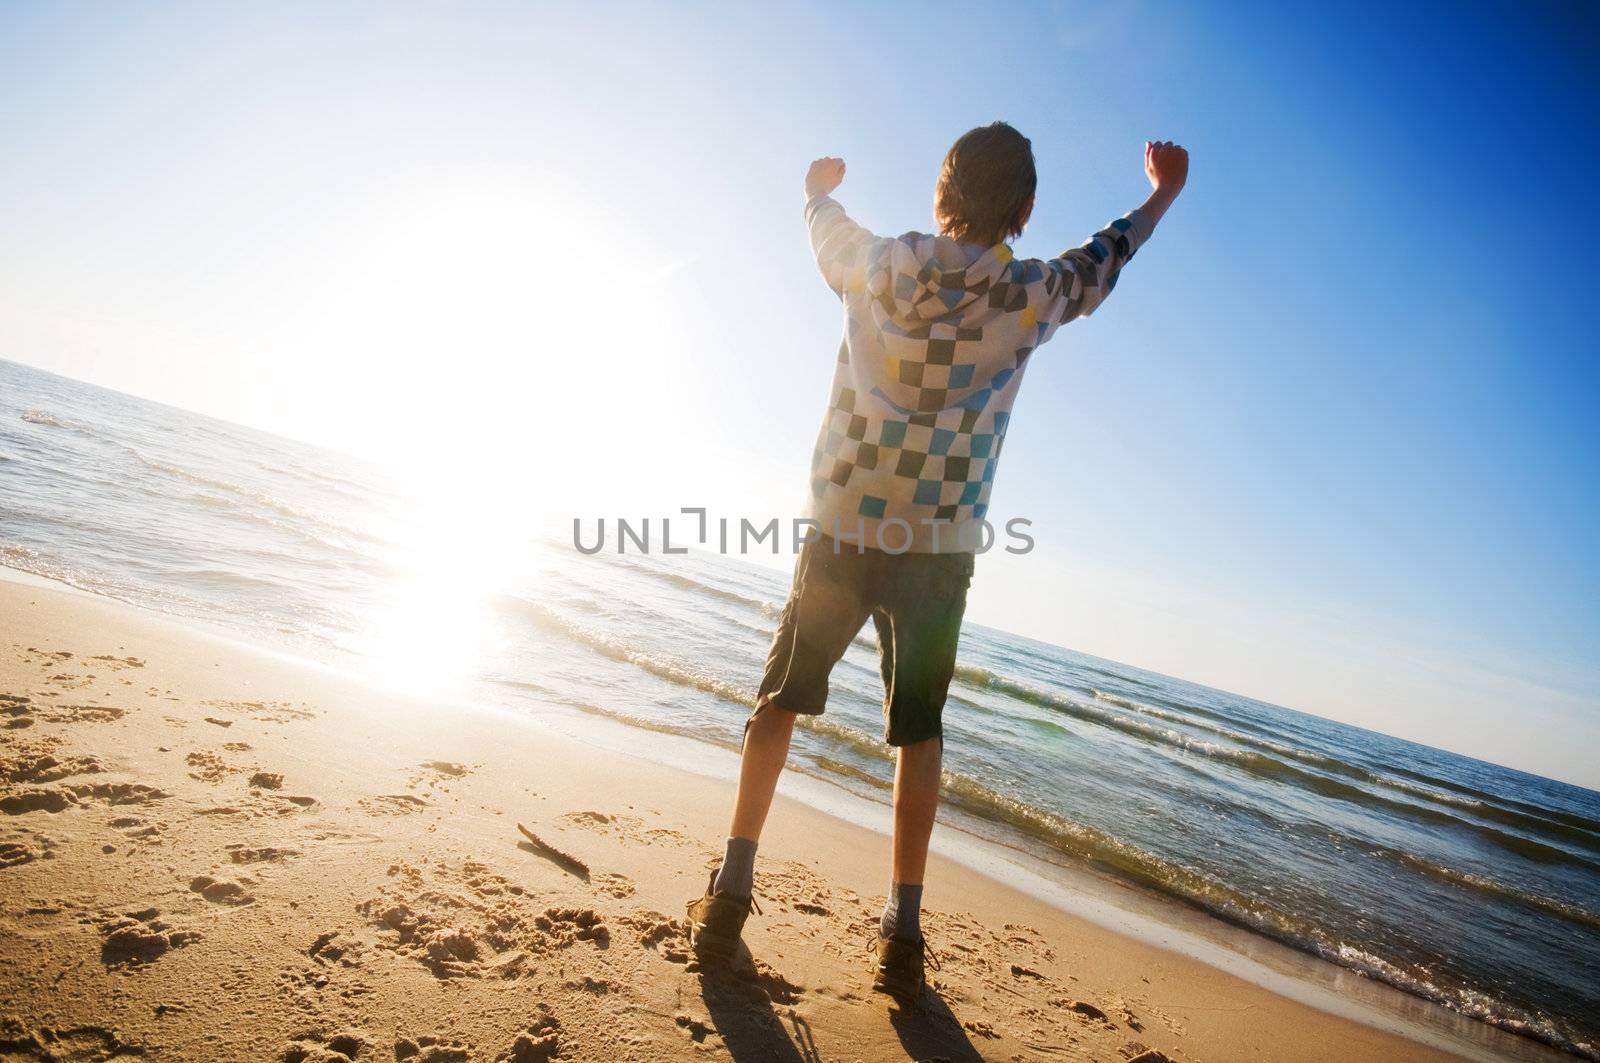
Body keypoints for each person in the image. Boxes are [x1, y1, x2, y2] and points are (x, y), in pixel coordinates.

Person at [687, 122, 1189, 1002]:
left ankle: (730, 891)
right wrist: (1160, 195)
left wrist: (816, 186)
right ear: (1024, 209)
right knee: (918, 729)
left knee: (783, 698)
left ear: (939, 194)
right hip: (939, 545)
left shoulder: (876, 264)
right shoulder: (1029, 294)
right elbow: (1103, 259)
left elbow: (823, 230)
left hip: (844, 527)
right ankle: (903, 932)